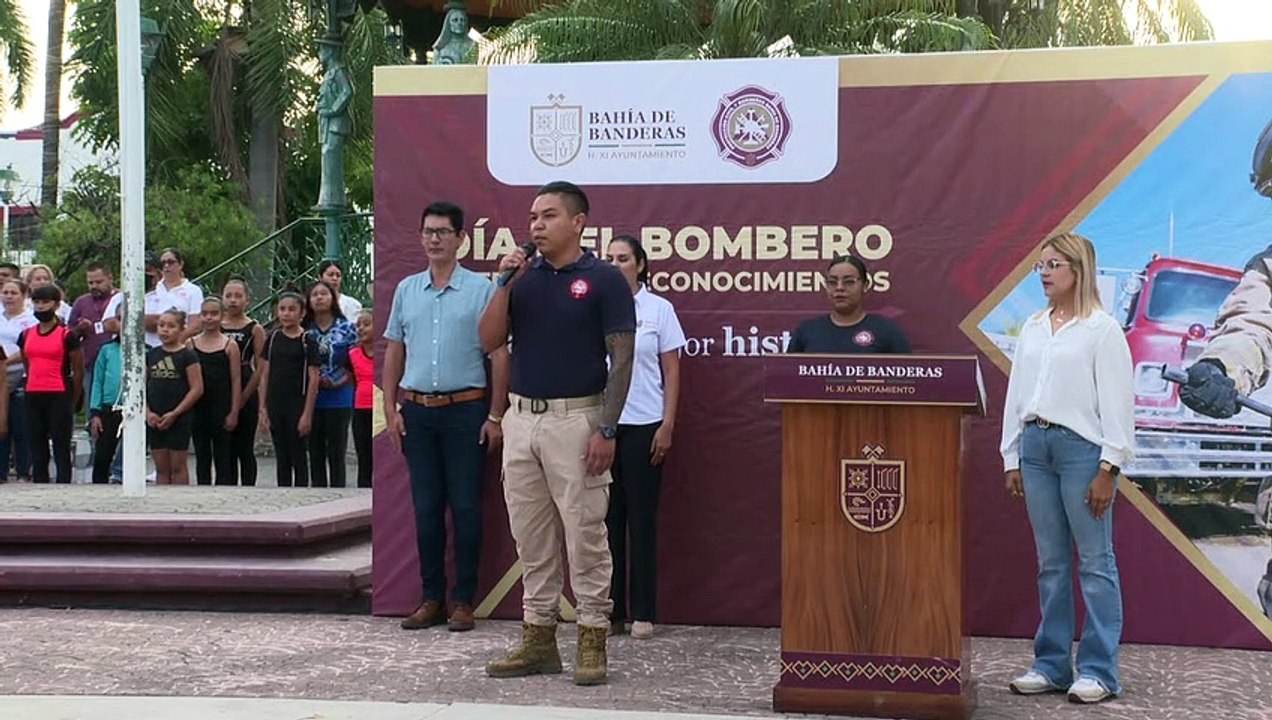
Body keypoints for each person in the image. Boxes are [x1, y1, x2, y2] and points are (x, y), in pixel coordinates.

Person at [478, 182, 635, 686]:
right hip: (522, 418)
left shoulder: (604, 279)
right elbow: (488, 340)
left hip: (578, 418)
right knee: (531, 535)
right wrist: (503, 284)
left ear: (578, 221)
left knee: (585, 533)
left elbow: (622, 359)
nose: (536, 225)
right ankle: (539, 639)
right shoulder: (523, 279)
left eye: (548, 216)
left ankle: (592, 636)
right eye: (532, 217)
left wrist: (607, 427)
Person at [999, 233, 1135, 704]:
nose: (1044, 273)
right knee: (1051, 564)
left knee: (1095, 562)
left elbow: (1118, 402)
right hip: (1035, 447)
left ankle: (1099, 671)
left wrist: (1109, 467)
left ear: (1079, 269)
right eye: (1041, 266)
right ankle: (1052, 664)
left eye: (1053, 264)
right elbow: (1017, 393)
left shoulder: (1102, 329)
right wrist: (1011, 455)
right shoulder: (1034, 327)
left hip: (1082, 451)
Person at [383, 201, 509, 633]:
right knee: (426, 509)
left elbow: (499, 355)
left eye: (442, 232)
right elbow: (394, 349)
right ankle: (430, 598)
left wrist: (495, 415)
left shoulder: (482, 290)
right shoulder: (406, 290)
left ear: (460, 239)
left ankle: (463, 601)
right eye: (428, 231)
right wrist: (390, 409)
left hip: (466, 411)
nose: (434, 239)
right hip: (417, 413)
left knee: (468, 507)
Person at [602, 235, 685, 640]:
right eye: (609, 259)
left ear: (640, 265)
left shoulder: (658, 309)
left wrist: (667, 424)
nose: (616, 265)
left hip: (646, 424)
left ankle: (644, 611)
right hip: (603, 427)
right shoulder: (596, 306)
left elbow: (672, 370)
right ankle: (611, 610)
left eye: (623, 259)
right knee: (606, 522)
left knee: (641, 521)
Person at [20, 285, 83, 484]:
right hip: (33, 393)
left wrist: (73, 399)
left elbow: (78, 369)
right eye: (37, 302)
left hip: (58, 392)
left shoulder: (67, 335)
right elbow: (27, 362)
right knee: (36, 443)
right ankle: (40, 483)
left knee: (60, 444)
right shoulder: (26, 334)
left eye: (45, 302)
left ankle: (63, 484)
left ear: (56, 305)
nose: (40, 306)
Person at [787, 255, 911, 354]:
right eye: (832, 282)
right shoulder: (807, 331)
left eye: (849, 282)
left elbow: (907, 374)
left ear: (865, 285)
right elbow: (788, 374)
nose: (839, 288)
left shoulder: (886, 331)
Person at [259, 292, 320, 488]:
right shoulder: (273, 338)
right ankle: (282, 493)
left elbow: (313, 378)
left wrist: (307, 414)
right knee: (281, 455)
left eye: (292, 309)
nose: (286, 314)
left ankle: (301, 495)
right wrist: (263, 408)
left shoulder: (307, 340)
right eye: (282, 309)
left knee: (298, 454)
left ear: (302, 313)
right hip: (276, 404)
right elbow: (265, 374)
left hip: (297, 404)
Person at [305, 280, 357, 488]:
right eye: (314, 294)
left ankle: (339, 494)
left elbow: (357, 362)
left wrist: (341, 380)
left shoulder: (347, 328)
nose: (319, 298)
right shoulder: (304, 330)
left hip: (339, 395)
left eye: (324, 293)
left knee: (336, 452)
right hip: (310, 398)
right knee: (315, 452)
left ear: (333, 298)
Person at [146, 309, 203, 485]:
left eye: (171, 326)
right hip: (155, 418)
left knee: (178, 466)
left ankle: (180, 498)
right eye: (161, 325)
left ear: (181, 329)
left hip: (179, 418)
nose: (165, 330)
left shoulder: (188, 355)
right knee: (161, 468)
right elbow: (141, 386)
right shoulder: (152, 355)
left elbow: (197, 388)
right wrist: (148, 413)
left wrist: (175, 413)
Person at [191, 297, 241, 486]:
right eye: (205, 314)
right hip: (198, 407)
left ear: (222, 316)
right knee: (201, 454)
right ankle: (202, 490)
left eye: (214, 313)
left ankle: (223, 492)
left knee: (223, 455)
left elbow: (236, 380)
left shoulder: (230, 345)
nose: (209, 318)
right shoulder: (190, 344)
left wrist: (234, 411)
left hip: (221, 407)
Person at [220, 278, 266, 486]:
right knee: (225, 447)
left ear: (247, 300)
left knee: (244, 447)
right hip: (222, 387)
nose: (233, 300)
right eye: (229, 295)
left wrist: (246, 396)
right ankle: (226, 487)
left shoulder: (255, 328)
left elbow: (261, 366)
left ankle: (249, 489)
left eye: (238, 296)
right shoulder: (215, 325)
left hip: (246, 382)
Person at [68, 263, 119, 414]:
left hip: (115, 362)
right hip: (90, 362)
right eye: (90, 283)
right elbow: (69, 334)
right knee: (92, 408)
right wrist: (79, 328)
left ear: (110, 278)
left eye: (99, 282)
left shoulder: (121, 298)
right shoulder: (81, 302)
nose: (94, 286)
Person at [0, 279, 35, 482]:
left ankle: (24, 470)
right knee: (1, 424)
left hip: (21, 375)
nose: (9, 297)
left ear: (24, 296)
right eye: (5, 292)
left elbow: (30, 348)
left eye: (13, 293)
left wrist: (5, 360)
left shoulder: (30, 320)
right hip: (0, 377)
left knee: (21, 424)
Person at [145, 248, 204, 346]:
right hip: (149, 348)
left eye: (171, 262)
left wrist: (173, 345)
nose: (166, 266)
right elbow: (140, 320)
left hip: (179, 348)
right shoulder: (151, 288)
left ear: (180, 264)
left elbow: (195, 326)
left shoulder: (193, 291)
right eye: (163, 263)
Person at [88, 335, 122, 484]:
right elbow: (98, 380)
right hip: (109, 408)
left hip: (135, 409)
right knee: (103, 454)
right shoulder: (107, 350)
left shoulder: (145, 350)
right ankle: (99, 486)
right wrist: (95, 412)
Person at [349, 308, 374, 489]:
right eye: (358, 325)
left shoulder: (385, 352)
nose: (361, 328)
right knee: (364, 457)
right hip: (360, 409)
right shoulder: (352, 354)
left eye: (366, 324)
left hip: (380, 409)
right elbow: (351, 379)